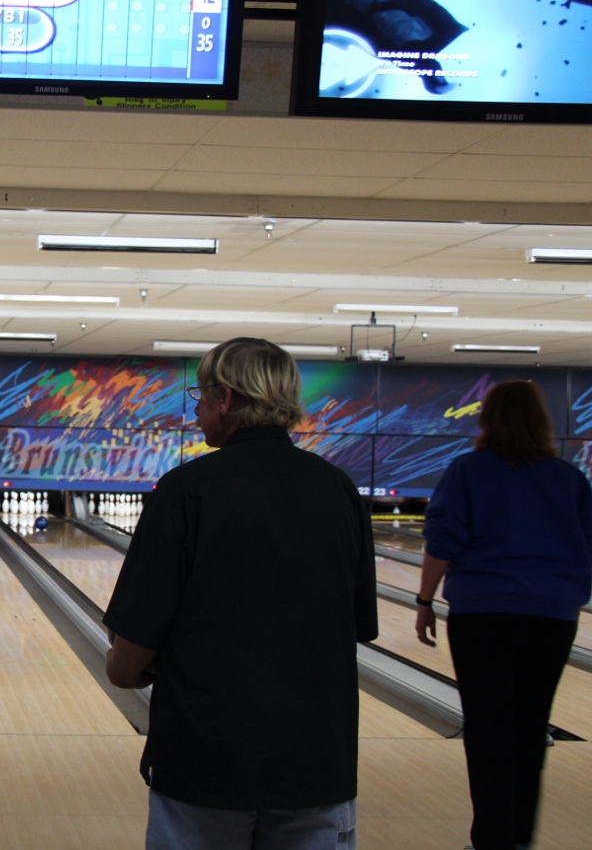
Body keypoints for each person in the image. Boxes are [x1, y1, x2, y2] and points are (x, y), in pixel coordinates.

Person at [103, 337, 379, 850]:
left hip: (205, 762)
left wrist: (127, 668)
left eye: (200, 396)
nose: (198, 408)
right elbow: (357, 627)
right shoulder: (340, 491)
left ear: (226, 398)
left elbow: (129, 658)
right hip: (317, 763)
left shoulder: (185, 490)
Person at [416, 380, 592, 850]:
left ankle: (492, 837)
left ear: (486, 417)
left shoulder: (467, 471)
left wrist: (424, 601)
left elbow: (443, 541)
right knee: (531, 727)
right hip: (552, 617)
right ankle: (519, 836)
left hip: (483, 615)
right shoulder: (569, 479)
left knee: (488, 726)